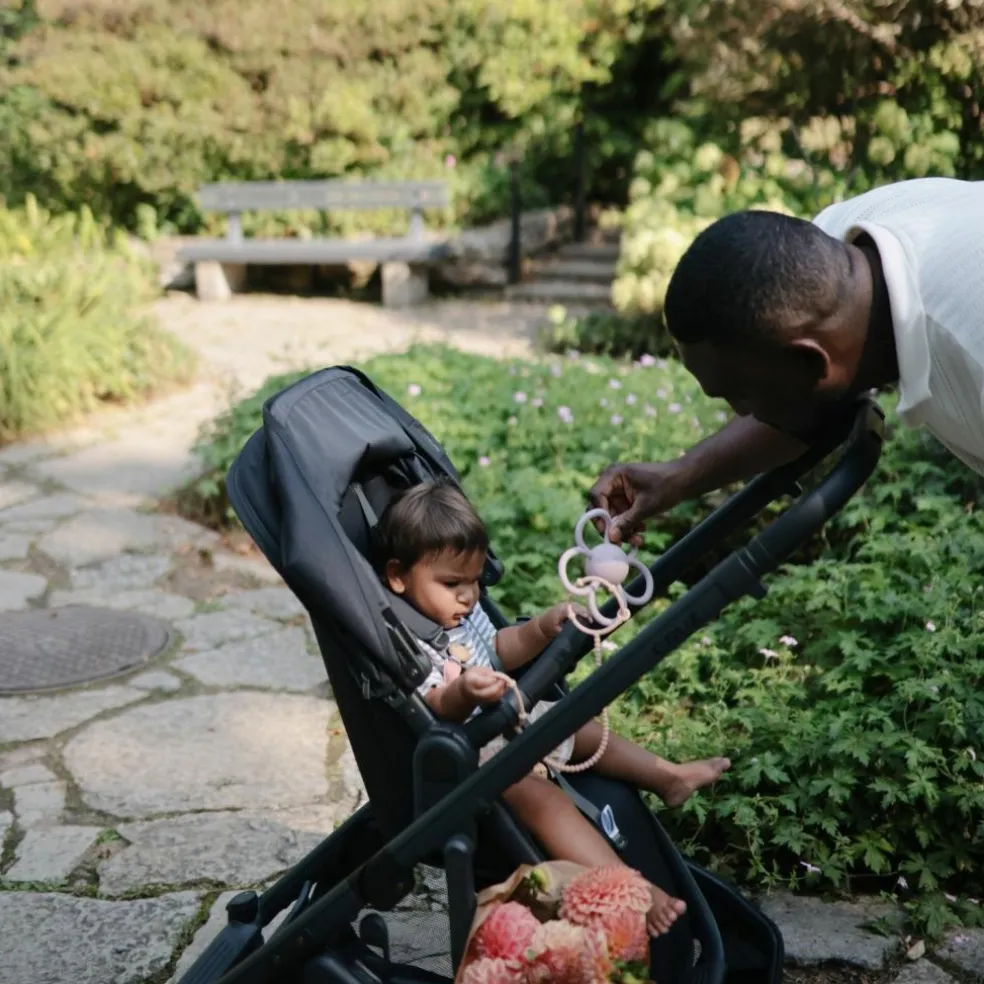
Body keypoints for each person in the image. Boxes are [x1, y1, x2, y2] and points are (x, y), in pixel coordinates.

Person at [375, 479, 731, 936]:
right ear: (398, 575)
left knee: (575, 722)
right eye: (451, 583)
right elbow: (436, 704)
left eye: (473, 581)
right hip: (473, 758)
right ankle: (631, 890)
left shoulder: (462, 609)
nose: (468, 595)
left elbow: (501, 646)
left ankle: (667, 776)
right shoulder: (409, 639)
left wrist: (542, 628)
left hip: (508, 724)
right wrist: (464, 691)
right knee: (541, 800)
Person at [588, 177, 984, 544]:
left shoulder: (971, 344)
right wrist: (680, 475)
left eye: (741, 394)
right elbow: (804, 405)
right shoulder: (830, 249)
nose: (741, 412)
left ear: (810, 363)